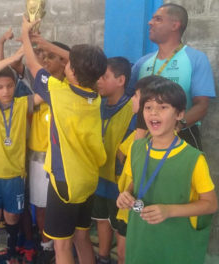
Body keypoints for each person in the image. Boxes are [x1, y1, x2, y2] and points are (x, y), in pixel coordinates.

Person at [22, 16, 107, 264]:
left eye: (69, 62)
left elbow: (32, 64)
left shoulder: (59, 94)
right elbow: (82, 63)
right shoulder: (95, 95)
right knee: (82, 238)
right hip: (88, 180)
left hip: (65, 182)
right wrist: (45, 43)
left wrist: (26, 35)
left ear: (72, 71)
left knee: (62, 247)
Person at [117, 78, 218, 264]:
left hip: (175, 245)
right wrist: (126, 194)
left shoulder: (193, 159)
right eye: (148, 107)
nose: (153, 113)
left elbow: (211, 204)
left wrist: (169, 210)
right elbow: (137, 180)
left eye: (163, 107)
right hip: (140, 239)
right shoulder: (136, 147)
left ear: (179, 114)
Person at [0, 47, 42, 264]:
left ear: (15, 87)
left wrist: (26, 65)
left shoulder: (24, 104)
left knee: (12, 217)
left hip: (14, 173)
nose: (5, 91)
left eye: (9, 86)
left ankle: (13, 252)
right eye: (0, 87)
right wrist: (12, 58)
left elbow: (45, 92)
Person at [127, 3, 216, 150]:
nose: (150, 22)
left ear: (175, 25)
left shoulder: (195, 59)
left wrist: (176, 125)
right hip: (144, 134)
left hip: (182, 134)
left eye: (158, 19)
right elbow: (128, 97)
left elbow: (202, 105)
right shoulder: (142, 63)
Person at [27, 37, 70, 264]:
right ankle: (46, 245)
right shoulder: (39, 89)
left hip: (61, 162)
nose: (45, 60)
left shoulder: (71, 91)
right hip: (37, 156)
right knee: (40, 205)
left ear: (66, 63)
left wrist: (32, 37)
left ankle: (59, 245)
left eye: (51, 57)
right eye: (42, 57)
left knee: (58, 208)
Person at [115, 75, 162, 264]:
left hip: (145, 208)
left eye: (136, 96)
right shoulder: (137, 134)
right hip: (126, 203)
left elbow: (138, 162)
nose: (132, 100)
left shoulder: (159, 138)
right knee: (122, 254)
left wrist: (142, 127)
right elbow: (122, 153)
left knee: (135, 255)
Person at [91, 57, 133, 264]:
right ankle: (103, 257)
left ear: (121, 80)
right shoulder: (97, 105)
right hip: (99, 177)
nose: (98, 81)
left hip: (120, 183)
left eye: (104, 76)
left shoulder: (133, 110)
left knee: (121, 229)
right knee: (101, 221)